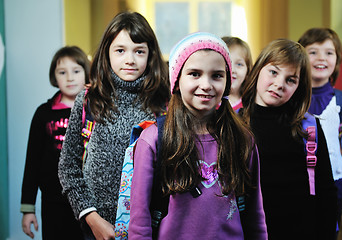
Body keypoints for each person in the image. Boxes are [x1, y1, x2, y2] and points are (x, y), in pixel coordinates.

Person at [129, 32, 267, 239]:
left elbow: (255, 215)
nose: (206, 85)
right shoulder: (154, 139)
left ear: (227, 82)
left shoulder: (242, 139)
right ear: (177, 81)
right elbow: (140, 222)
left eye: (217, 75)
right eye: (194, 73)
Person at [58, 11, 169, 240]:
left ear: (150, 55)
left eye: (139, 51)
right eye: (120, 50)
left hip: (150, 228)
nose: (130, 59)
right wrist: (92, 218)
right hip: (96, 228)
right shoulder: (89, 100)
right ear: (106, 53)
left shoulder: (164, 105)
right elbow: (68, 167)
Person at [241, 39, 337, 239]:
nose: (279, 84)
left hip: (301, 230)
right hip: (248, 230)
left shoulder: (309, 128)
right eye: (274, 72)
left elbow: (326, 192)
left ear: (298, 87)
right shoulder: (234, 124)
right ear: (259, 69)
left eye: (290, 80)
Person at [20, 46, 90, 239]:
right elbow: (32, 161)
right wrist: (28, 208)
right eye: (62, 72)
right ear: (54, 76)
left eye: (76, 71)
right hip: (54, 202)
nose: (70, 77)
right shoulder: (44, 114)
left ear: (86, 73)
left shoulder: (95, 110)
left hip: (90, 201)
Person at [298, 28, 342, 233]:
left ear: (337, 60)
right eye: (313, 51)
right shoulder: (289, 98)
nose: (321, 58)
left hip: (333, 186)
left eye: (329, 52)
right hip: (296, 185)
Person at [222, 36, 253, 112]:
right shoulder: (208, 104)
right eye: (226, 63)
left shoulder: (250, 106)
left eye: (239, 64)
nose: (232, 70)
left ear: (247, 72)